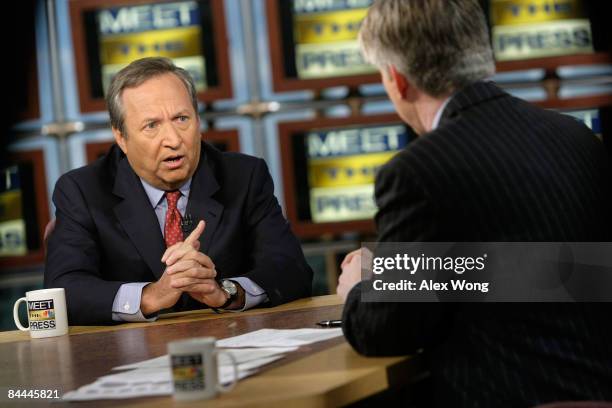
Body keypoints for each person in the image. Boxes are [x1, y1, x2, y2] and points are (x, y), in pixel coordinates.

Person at [336, 0, 612, 406]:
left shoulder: (418, 170)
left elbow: (387, 330)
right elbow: (546, 268)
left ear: (397, 78)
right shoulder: (575, 136)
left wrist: (362, 286)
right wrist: (413, 270)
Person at [45, 57, 312, 325]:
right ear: (121, 137)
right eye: (152, 125)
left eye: (181, 118)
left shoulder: (244, 177)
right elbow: (64, 289)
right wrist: (151, 296)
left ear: (198, 120)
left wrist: (225, 293)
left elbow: (291, 269)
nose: (173, 140)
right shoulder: (82, 191)